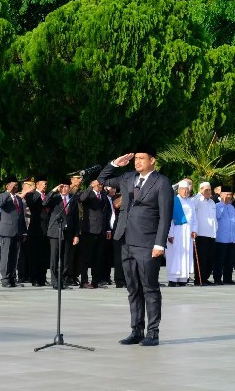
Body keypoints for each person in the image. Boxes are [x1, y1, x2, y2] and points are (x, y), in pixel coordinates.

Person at [97, 147, 173, 346]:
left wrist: (160, 244)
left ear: (152, 160)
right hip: (126, 240)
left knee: (150, 287)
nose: (137, 161)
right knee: (133, 288)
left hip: (148, 243)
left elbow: (165, 216)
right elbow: (102, 179)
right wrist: (115, 163)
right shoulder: (128, 177)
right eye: (136, 159)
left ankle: (153, 332)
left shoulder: (162, 182)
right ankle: (136, 330)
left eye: (142, 158)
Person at [43, 178, 80, 289]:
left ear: (70, 187)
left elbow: (75, 218)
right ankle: (55, 282)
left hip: (68, 232)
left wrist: (76, 234)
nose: (64, 189)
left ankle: (62, 281)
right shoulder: (55, 198)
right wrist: (53, 191)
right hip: (55, 231)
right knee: (55, 257)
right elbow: (44, 202)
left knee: (65, 258)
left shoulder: (72, 200)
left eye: (66, 186)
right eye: (62, 186)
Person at [78, 179, 112, 289]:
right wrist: (89, 187)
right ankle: (84, 281)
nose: (101, 186)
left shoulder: (103, 195)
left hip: (101, 230)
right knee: (86, 257)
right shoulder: (89, 193)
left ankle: (95, 281)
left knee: (98, 257)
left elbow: (107, 212)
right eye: (99, 184)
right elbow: (81, 199)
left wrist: (108, 229)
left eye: (102, 184)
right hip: (89, 230)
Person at [0, 175, 29, 288]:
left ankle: (12, 278)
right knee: (6, 255)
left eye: (16, 185)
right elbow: (0, 204)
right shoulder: (2, 196)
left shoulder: (18, 199)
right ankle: (5, 279)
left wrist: (24, 231)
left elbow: (21, 216)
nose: (15, 187)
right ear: (7, 186)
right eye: (13, 185)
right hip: (7, 230)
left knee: (15, 256)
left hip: (18, 231)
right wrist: (7, 192)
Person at [166, 180, 197, 286]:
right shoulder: (174, 200)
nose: (185, 191)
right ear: (179, 190)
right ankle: (173, 279)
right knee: (175, 254)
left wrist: (194, 230)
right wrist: (170, 234)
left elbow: (194, 218)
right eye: (183, 189)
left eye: (187, 189)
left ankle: (183, 279)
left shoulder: (190, 202)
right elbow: (169, 219)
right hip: (176, 231)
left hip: (187, 232)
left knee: (186, 254)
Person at [24, 175, 50, 286]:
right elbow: (32, 203)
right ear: (38, 184)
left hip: (46, 230)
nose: (45, 186)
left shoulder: (47, 196)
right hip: (35, 230)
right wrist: (33, 191)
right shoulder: (32, 195)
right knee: (34, 256)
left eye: (46, 184)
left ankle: (42, 278)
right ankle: (34, 278)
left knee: (44, 256)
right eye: (43, 183)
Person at [213, 186, 235, 285]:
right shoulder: (217, 206)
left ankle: (228, 278)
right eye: (227, 194)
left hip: (231, 238)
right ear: (221, 194)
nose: (229, 196)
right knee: (219, 260)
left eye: (230, 195)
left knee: (230, 260)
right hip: (221, 238)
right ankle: (217, 279)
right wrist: (223, 204)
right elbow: (217, 217)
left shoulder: (232, 207)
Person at [193, 181, 217, 286]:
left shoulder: (211, 202)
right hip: (201, 234)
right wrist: (200, 194)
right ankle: (199, 279)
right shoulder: (197, 200)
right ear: (201, 190)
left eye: (209, 190)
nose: (208, 192)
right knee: (201, 258)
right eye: (206, 190)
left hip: (211, 234)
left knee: (210, 258)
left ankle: (205, 277)